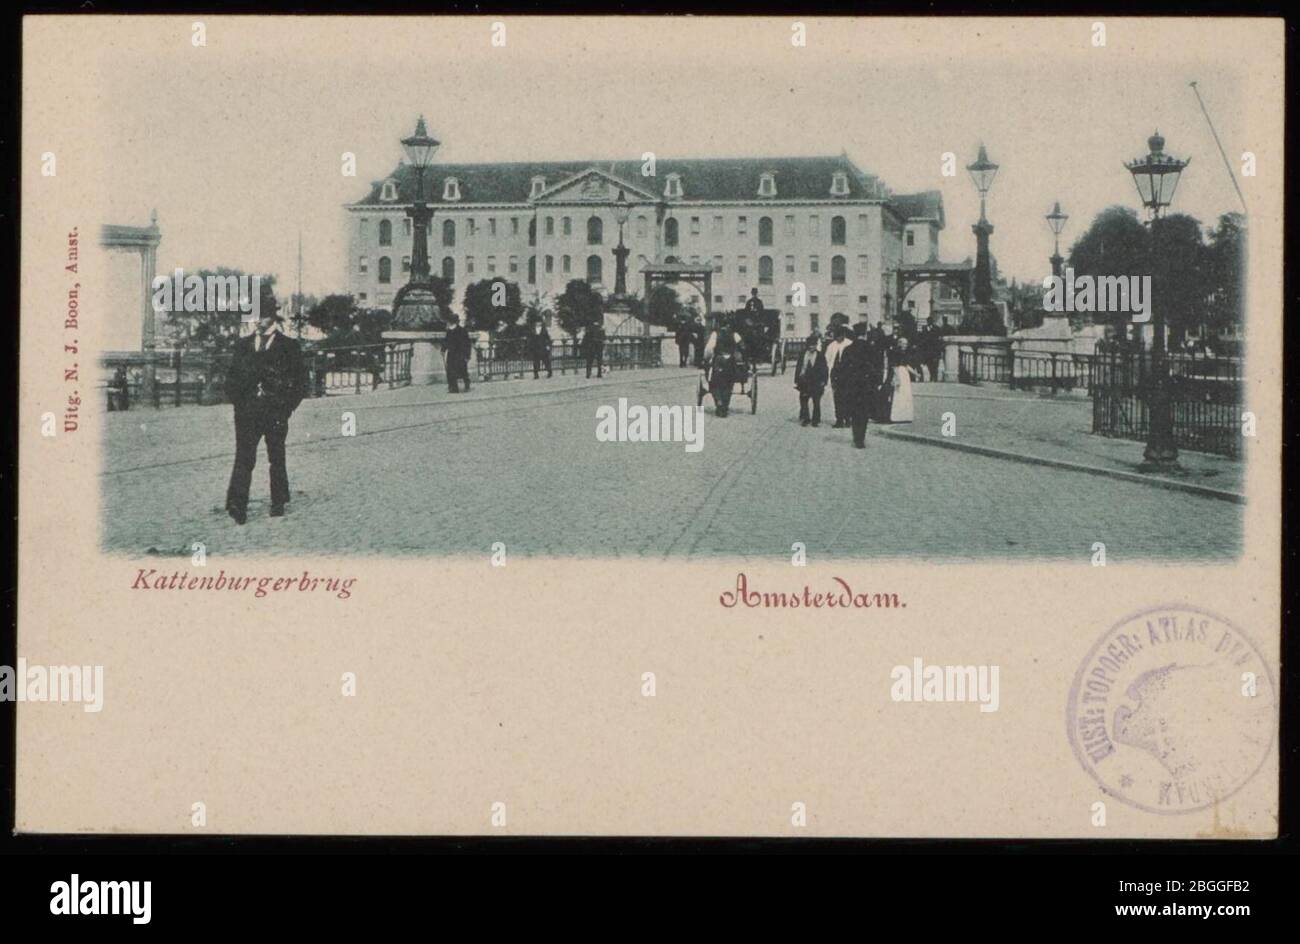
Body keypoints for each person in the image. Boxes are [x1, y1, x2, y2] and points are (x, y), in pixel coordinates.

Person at [224, 300, 308, 524]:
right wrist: (238, 404)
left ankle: (278, 501)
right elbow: (230, 378)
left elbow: (301, 383)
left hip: (275, 413)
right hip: (247, 414)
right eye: (254, 317)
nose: (257, 321)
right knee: (244, 459)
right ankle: (237, 505)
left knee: (276, 458)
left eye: (261, 317)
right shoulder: (243, 345)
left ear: (272, 317)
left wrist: (286, 408)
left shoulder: (289, 346)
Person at [837, 323, 885, 449]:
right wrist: (877, 382)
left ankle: (856, 436)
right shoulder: (871, 348)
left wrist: (843, 384)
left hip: (852, 386)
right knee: (864, 413)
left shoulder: (848, 349)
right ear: (865, 334)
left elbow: (842, 369)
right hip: (867, 386)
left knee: (854, 412)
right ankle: (861, 439)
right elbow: (878, 367)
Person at [703, 316, 746, 417]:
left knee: (714, 383)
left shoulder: (715, 334)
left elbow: (709, 349)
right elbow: (743, 347)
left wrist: (706, 359)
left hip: (718, 361)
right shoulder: (734, 335)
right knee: (729, 384)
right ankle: (725, 406)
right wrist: (741, 357)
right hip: (730, 361)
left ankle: (719, 402)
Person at [793, 330, 828, 427]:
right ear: (807, 345)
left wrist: (824, 381)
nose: (812, 347)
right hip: (804, 380)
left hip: (816, 381)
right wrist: (796, 380)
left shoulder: (820, 356)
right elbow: (799, 367)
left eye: (814, 345)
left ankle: (816, 420)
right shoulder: (803, 354)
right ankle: (806, 418)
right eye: (811, 345)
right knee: (803, 400)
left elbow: (825, 369)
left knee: (816, 401)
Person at [887, 336, 918, 423]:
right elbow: (894, 366)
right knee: (899, 394)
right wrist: (897, 378)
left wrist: (915, 374)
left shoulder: (904, 353)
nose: (905, 345)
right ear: (899, 343)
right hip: (899, 373)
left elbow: (906, 365)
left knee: (906, 394)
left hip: (905, 374)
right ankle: (897, 416)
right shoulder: (895, 352)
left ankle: (905, 415)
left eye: (906, 344)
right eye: (903, 343)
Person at [825, 325, 851, 428]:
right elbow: (827, 360)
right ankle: (839, 419)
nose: (838, 338)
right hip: (835, 374)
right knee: (837, 397)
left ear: (844, 335)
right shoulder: (831, 346)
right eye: (837, 336)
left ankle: (848, 419)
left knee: (848, 397)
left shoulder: (849, 344)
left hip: (847, 375)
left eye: (840, 336)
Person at [442, 315, 472, 393]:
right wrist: (443, 349)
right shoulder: (450, 331)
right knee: (451, 370)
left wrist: (467, 355)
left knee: (462, 370)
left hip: (459, 354)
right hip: (453, 354)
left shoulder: (461, 330)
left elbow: (467, 343)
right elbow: (446, 341)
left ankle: (466, 383)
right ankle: (453, 387)